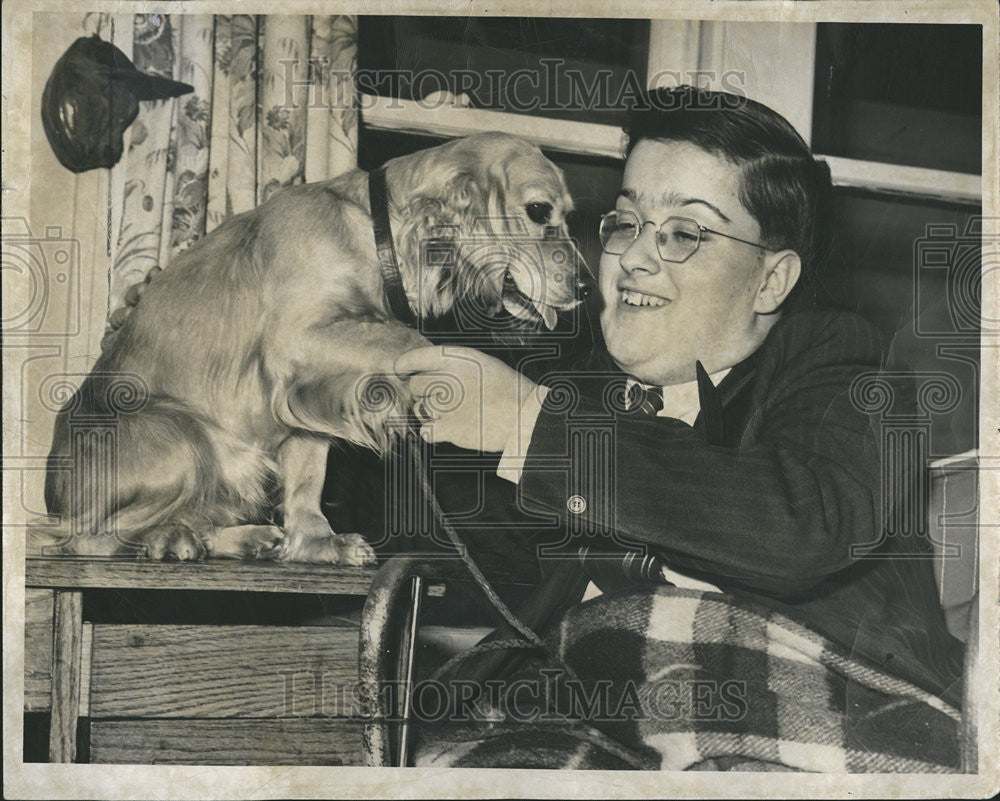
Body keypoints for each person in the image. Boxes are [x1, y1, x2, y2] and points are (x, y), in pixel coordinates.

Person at [394, 85, 964, 729]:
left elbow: (803, 526)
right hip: (598, 718)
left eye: (684, 233)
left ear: (771, 280)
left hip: (822, 712)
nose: (633, 257)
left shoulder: (845, 363)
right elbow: (460, 565)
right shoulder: (580, 393)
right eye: (626, 221)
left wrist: (528, 423)